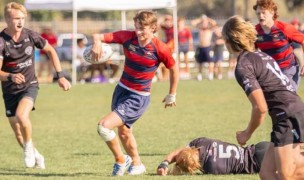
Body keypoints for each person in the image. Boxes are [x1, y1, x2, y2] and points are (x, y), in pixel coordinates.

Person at [90, 10, 179, 176]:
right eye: (136, 27)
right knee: (124, 132)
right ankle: (137, 164)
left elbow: (174, 69)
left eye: (142, 29)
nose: (138, 32)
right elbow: (98, 36)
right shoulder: (127, 37)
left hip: (138, 97)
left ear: (153, 28)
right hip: (121, 90)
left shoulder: (160, 48)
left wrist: (171, 94)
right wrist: (96, 44)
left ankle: (121, 160)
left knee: (104, 127)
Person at [222, 15, 304, 180]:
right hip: (289, 112)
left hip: (287, 115)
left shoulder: (243, 66)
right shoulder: (262, 55)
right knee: (266, 174)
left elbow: (260, 107)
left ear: (229, 42)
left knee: (287, 175)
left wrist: (247, 133)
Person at [0, 2, 71, 169]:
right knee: (18, 132)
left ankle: (28, 149)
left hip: (29, 86)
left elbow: (51, 50)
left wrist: (60, 76)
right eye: (16, 18)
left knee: (22, 116)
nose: (20, 22)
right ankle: (36, 154)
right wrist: (9, 76)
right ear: (7, 19)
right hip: (9, 90)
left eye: (23, 18)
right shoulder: (1, 42)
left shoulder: (30, 35)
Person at [253, 0, 304, 90]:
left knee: (287, 99)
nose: (260, 16)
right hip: (270, 72)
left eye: (263, 13)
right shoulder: (255, 31)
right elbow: (252, 50)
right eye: (258, 13)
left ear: (272, 13)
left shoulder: (284, 28)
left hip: (288, 70)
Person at [156, 137, 270, 175]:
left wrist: (170, 165)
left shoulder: (210, 168)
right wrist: (164, 163)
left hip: (258, 163)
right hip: (258, 147)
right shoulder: (201, 142)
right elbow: (181, 151)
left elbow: (180, 154)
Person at [192, 14, 217, 81]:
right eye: (203, 23)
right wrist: (201, 19)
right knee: (199, 62)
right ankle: (199, 75)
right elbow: (193, 23)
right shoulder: (200, 29)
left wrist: (207, 19)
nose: (204, 24)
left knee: (210, 62)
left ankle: (210, 74)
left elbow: (214, 23)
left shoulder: (209, 29)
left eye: (205, 23)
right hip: (200, 47)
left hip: (207, 47)